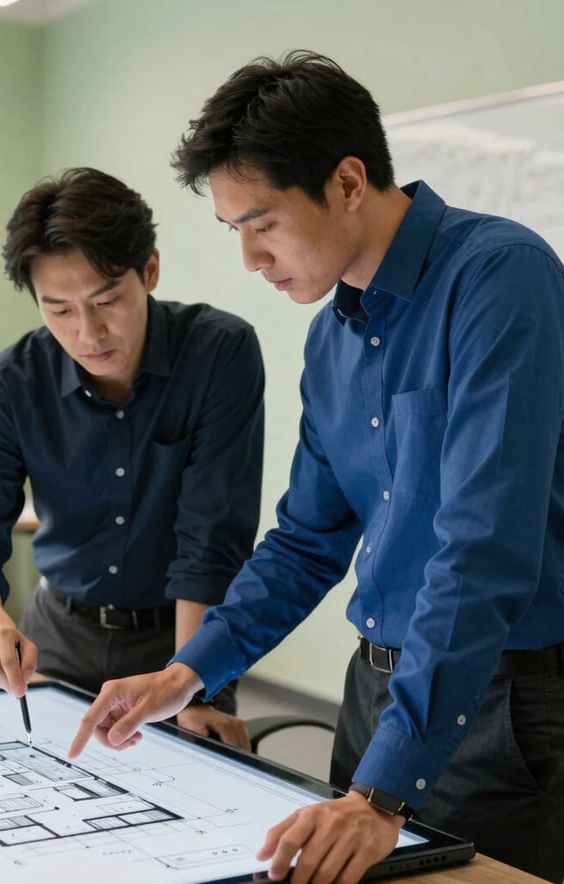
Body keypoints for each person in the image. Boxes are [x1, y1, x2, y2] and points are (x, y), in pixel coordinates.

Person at [69, 52, 564, 884]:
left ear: (347, 182)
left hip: (498, 705)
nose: (250, 259)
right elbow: (305, 542)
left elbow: (482, 549)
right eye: (234, 230)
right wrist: (188, 674)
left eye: (263, 223)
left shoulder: (499, 277)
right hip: (373, 695)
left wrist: (381, 792)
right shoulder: (333, 337)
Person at [0, 167, 265, 749]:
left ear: (149, 270)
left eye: (106, 300)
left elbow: (210, 541)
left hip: (180, 639)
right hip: (58, 634)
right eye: (59, 310)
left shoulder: (218, 354)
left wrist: (193, 691)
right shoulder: (12, 383)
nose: (88, 333)